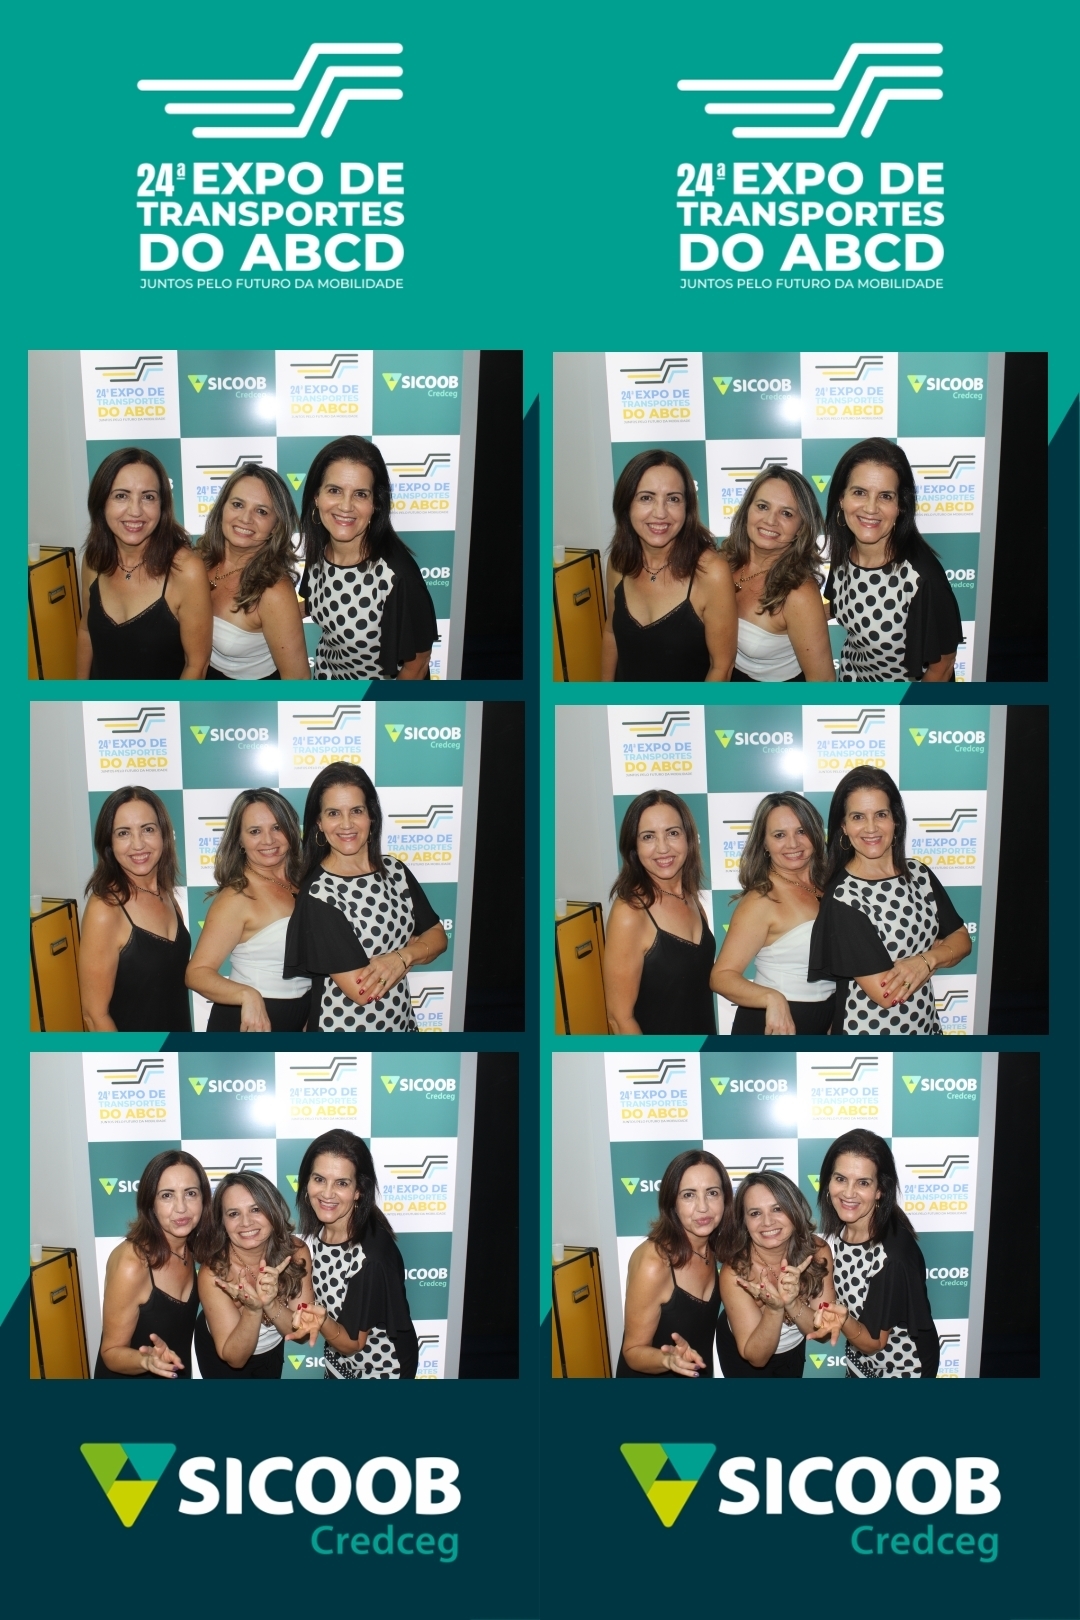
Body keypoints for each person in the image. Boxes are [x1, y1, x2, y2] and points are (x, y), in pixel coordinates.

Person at [284, 763, 447, 1031]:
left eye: (356, 811)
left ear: (371, 816)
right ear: (319, 823)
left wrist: (401, 958)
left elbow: (439, 936)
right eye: (334, 813)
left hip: (402, 1024)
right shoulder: (319, 894)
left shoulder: (395, 870)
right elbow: (362, 991)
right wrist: (413, 953)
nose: (347, 824)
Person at [808, 767, 971, 1035]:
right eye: (858, 817)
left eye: (881, 814)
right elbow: (887, 995)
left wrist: (925, 961)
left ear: (895, 820)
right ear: (844, 827)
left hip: (926, 1026)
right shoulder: (844, 897)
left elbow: (963, 940)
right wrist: (937, 956)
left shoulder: (919, 874)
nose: (871, 827)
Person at [297, 435, 437, 680]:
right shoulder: (320, 548)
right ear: (316, 497)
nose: (346, 506)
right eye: (334, 490)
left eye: (360, 494)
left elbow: (417, 667)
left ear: (375, 504)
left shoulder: (397, 577)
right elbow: (316, 604)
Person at [823, 438, 963, 682]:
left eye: (885, 496)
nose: (870, 508)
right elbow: (841, 606)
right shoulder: (845, 550)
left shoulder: (922, 579)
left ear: (900, 506)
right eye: (859, 492)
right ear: (841, 499)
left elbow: (941, 669)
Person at [289, 1130, 419, 1379]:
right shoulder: (324, 1229)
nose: (327, 1193)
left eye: (342, 1183)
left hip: (380, 1370)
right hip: (339, 1362)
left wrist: (321, 1321)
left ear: (359, 1190)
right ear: (306, 1182)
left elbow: (352, 1343)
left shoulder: (369, 1258)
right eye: (319, 1179)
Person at [76, 446, 211, 680]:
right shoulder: (93, 559)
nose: (135, 511)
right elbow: (86, 631)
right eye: (121, 495)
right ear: (101, 502)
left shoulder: (186, 570)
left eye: (148, 497)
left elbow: (196, 665)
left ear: (162, 505)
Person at [601, 449, 736, 681]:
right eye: (646, 497)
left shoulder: (711, 572)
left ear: (687, 507)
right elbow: (611, 633)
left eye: (673, 499)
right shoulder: (619, 560)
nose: (660, 513)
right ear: (626, 504)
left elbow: (721, 667)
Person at [814, 1130, 939, 1378]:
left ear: (880, 1189)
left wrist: (843, 1320)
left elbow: (873, 1342)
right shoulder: (843, 1229)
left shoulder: (891, 1256)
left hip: (902, 1369)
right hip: (860, 1361)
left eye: (863, 1183)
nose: (848, 1193)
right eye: (840, 1179)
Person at [186, 789, 312, 1031]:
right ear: (240, 840)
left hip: (303, 1017)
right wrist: (247, 995)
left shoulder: (307, 883)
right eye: (255, 831)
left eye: (277, 827)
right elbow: (197, 973)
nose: (268, 840)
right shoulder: (237, 896)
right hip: (249, 1023)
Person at [710, 792, 835, 1034]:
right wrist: (772, 998)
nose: (793, 844)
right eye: (779, 835)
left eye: (801, 831)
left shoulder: (831, 887)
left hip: (828, 1020)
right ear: (764, 843)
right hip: (773, 1027)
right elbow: (721, 976)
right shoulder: (761, 900)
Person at [604, 790, 716, 1035]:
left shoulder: (690, 897)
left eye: (672, 833)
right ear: (633, 846)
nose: (663, 848)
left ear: (688, 838)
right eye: (648, 837)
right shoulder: (630, 912)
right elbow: (620, 1020)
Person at [80, 786, 191, 1032]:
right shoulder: (105, 909)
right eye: (123, 833)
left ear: (163, 834)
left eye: (148, 829)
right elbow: (95, 1016)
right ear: (109, 843)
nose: (138, 844)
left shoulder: (166, 894)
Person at [616, 1151, 734, 1377]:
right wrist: (668, 1359)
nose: (703, 1207)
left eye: (712, 1193)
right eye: (689, 1195)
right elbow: (632, 1351)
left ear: (725, 1198)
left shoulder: (712, 1247)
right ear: (672, 1203)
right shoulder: (654, 1262)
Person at [94, 1151, 211, 1378]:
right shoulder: (132, 1262)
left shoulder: (190, 1247)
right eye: (167, 1195)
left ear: (203, 1199)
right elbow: (110, 1352)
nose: (181, 1208)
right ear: (151, 1203)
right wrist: (147, 1361)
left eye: (190, 1193)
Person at [194, 1172, 315, 1379]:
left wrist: (270, 1304)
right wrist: (253, 1310)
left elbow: (301, 1333)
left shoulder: (295, 1253)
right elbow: (235, 1359)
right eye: (233, 1214)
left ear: (273, 1210)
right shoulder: (213, 1274)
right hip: (225, 1356)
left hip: (271, 1351)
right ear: (222, 1222)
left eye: (256, 1209)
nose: (246, 1222)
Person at [721, 466, 835, 681]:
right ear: (747, 510)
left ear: (801, 528)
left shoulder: (799, 594)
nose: (770, 520)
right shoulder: (722, 564)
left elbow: (823, 682)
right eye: (762, 506)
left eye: (786, 513)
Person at [197, 463, 310, 679]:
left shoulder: (274, 591)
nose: (245, 518)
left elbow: (298, 680)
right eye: (237, 504)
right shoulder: (198, 562)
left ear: (276, 526)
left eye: (261, 511)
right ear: (222, 508)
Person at [716, 1172, 833, 1378]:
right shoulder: (735, 1272)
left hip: (793, 1350)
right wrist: (774, 1308)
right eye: (755, 1213)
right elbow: (757, 1358)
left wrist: (792, 1303)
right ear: (744, 1222)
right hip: (747, 1355)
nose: (767, 1222)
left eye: (777, 1209)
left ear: (794, 1210)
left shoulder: (817, 1252)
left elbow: (824, 1332)